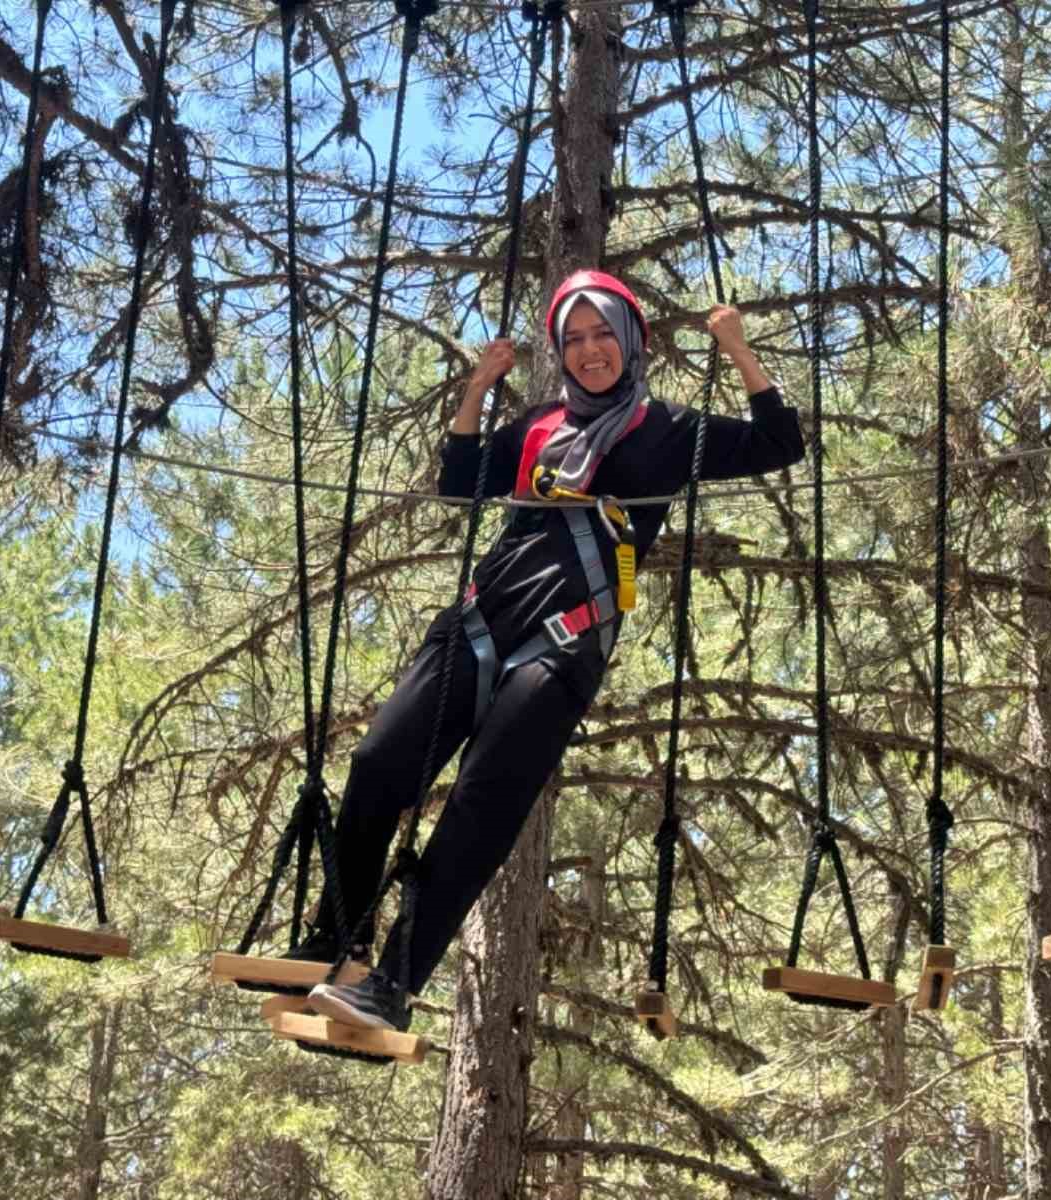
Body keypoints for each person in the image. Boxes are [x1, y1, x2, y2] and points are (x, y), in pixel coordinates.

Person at [299, 269, 804, 1034]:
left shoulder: (669, 430)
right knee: (377, 763)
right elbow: (462, 478)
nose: (590, 350)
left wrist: (738, 350)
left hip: (568, 637)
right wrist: (478, 389)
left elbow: (779, 443)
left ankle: (394, 984)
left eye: (603, 334)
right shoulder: (539, 426)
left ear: (630, 340)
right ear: (560, 353)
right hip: (484, 616)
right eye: (574, 339)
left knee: (481, 800)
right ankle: (338, 935)